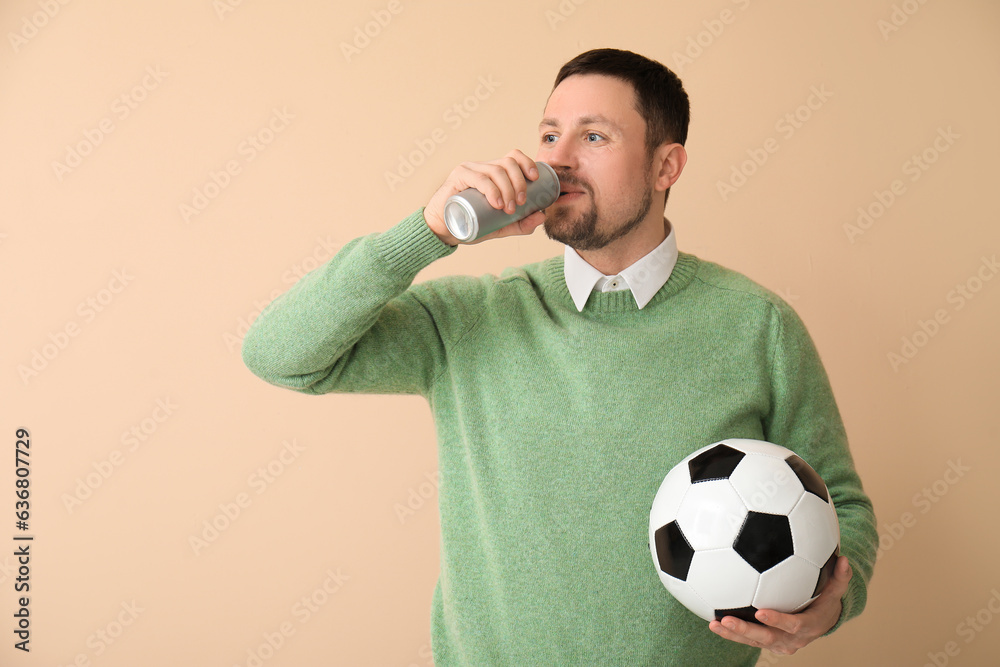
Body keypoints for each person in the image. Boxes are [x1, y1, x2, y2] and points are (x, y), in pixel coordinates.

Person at [242, 48, 877, 666]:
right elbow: (280, 354)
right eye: (549, 135)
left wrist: (833, 604)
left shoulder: (756, 324)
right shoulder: (472, 318)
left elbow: (839, 505)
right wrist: (427, 232)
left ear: (667, 166)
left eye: (595, 137)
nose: (560, 160)